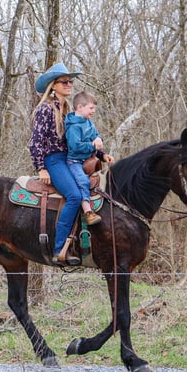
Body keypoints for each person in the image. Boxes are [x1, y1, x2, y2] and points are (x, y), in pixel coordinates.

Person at [28, 62, 84, 266]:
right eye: (64, 81)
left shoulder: (68, 110)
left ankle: (82, 242)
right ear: (53, 85)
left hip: (70, 159)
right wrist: (41, 167)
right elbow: (35, 141)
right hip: (54, 159)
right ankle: (60, 247)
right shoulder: (45, 109)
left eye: (71, 81)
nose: (69, 84)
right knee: (74, 196)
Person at [65, 90, 115, 226]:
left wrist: (103, 155)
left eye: (94, 108)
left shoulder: (89, 122)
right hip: (74, 161)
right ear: (80, 107)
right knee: (83, 181)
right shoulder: (73, 127)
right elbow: (76, 146)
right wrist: (93, 145)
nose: (93, 111)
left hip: (89, 160)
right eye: (91, 108)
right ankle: (88, 212)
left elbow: (96, 138)